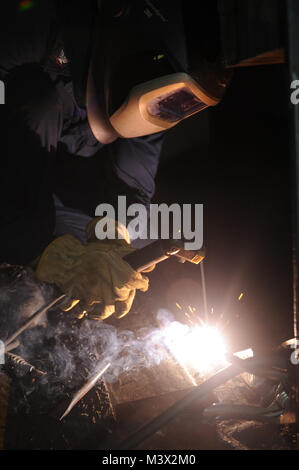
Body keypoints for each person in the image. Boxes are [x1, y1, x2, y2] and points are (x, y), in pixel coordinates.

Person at [0, 0, 165, 320]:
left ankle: (48, 315)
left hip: (43, 186)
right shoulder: (36, 28)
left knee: (136, 235)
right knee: (39, 102)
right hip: (12, 182)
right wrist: (49, 255)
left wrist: (112, 234)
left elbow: (133, 184)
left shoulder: (152, 83)